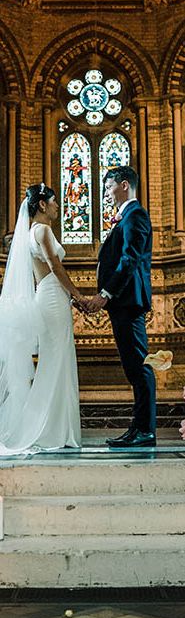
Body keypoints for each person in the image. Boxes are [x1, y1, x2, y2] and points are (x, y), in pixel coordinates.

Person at [0, 183, 84, 455]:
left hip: (45, 295)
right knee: (57, 361)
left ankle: (57, 428)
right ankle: (49, 429)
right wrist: (77, 295)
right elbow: (55, 265)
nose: (58, 206)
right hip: (52, 296)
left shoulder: (28, 233)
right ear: (42, 205)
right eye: (54, 201)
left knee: (55, 360)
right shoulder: (43, 230)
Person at [87, 166, 155, 448]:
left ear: (124, 185)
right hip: (123, 302)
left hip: (128, 300)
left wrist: (106, 293)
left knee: (139, 366)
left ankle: (145, 431)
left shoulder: (135, 214)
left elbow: (129, 259)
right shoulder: (126, 216)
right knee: (133, 366)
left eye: (108, 186)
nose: (105, 192)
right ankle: (138, 428)